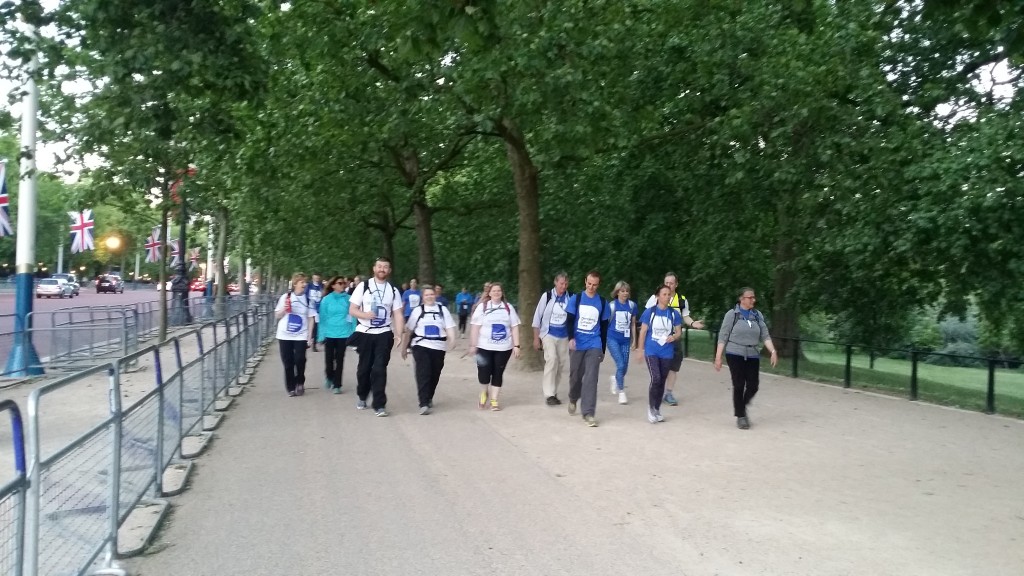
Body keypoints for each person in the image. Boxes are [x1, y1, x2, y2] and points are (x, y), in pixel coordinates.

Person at [714, 287, 778, 430]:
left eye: (754, 297)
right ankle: (741, 416)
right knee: (738, 384)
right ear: (741, 299)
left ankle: (741, 407)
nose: (753, 300)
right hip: (734, 352)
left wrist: (773, 351)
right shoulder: (732, 315)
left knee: (753, 386)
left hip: (752, 354)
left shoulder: (757, 315)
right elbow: (723, 336)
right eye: (750, 297)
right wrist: (718, 357)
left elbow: (765, 335)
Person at [348, 257, 405, 417]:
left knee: (380, 369)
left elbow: (398, 314)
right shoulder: (363, 286)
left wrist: (399, 334)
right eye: (379, 266)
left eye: (385, 267)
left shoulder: (393, 290)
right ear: (374, 269)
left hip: (384, 333)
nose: (382, 269)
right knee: (364, 369)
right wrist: (365, 314)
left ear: (389, 270)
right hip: (365, 332)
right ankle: (362, 394)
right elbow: (352, 309)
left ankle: (379, 405)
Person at [643, 272, 705, 406]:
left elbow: (685, 316)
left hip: (674, 338)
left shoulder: (681, 300)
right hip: (657, 339)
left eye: (671, 283)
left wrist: (693, 323)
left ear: (676, 285)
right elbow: (647, 317)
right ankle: (656, 391)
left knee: (673, 367)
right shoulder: (655, 298)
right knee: (657, 370)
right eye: (666, 283)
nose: (669, 285)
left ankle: (668, 393)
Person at [401, 285, 457, 414]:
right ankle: (424, 402)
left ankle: (429, 396)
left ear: (435, 295)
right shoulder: (417, 311)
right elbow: (409, 331)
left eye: (431, 294)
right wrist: (404, 348)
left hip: (438, 346)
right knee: (423, 373)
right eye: (427, 295)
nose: (430, 297)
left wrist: (452, 340)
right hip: (421, 345)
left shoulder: (442, 310)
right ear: (423, 297)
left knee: (435, 373)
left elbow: (449, 327)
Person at [565, 271, 610, 427]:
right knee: (576, 375)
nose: (591, 287)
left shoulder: (603, 303)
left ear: (598, 285)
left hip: (594, 343)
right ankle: (573, 397)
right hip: (577, 343)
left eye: (595, 284)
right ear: (585, 282)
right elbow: (569, 321)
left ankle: (588, 413)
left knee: (591, 378)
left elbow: (604, 328)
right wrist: (571, 338)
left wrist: (602, 349)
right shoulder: (575, 299)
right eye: (589, 283)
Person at [469, 282, 522, 411]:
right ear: (489, 293)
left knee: (498, 373)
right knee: (484, 372)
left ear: (502, 293)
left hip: (503, 347)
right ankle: (483, 392)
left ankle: (494, 400)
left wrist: (517, 345)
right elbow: (475, 327)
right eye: (494, 291)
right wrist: (473, 345)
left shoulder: (508, 308)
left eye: (499, 291)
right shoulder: (483, 307)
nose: (496, 293)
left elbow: (514, 327)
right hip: (484, 346)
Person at [635, 285, 683, 423]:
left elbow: (679, 332)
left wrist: (674, 337)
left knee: (662, 380)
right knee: (655, 378)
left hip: (667, 351)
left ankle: (657, 408)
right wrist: (640, 350)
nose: (667, 296)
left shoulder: (674, 314)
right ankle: (650, 408)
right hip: (652, 350)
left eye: (669, 294)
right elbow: (643, 331)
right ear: (657, 296)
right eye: (664, 294)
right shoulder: (649, 312)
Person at [531, 272, 572, 405]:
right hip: (548, 333)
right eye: (561, 283)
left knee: (560, 364)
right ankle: (549, 394)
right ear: (555, 283)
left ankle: (554, 392)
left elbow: (573, 318)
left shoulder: (570, 298)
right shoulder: (547, 296)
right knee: (552, 359)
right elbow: (537, 317)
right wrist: (536, 338)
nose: (563, 286)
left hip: (564, 335)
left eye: (566, 284)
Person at [275, 273, 317, 397]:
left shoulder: (308, 300)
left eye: (305, 282)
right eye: (302, 282)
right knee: (288, 362)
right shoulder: (285, 297)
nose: (304, 284)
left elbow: (311, 319)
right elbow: (277, 315)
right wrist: (285, 309)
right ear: (295, 284)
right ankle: (290, 387)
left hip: (301, 334)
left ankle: (300, 382)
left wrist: (310, 337)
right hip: (284, 334)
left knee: (300, 359)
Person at [317, 276, 355, 394]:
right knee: (329, 359)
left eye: (344, 283)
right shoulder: (326, 300)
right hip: (329, 332)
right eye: (339, 283)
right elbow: (322, 318)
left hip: (343, 333)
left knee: (339, 359)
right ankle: (329, 376)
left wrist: (353, 333)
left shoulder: (349, 299)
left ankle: (337, 384)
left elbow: (353, 317)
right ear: (333, 285)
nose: (342, 285)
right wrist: (321, 335)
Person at [607, 281, 638, 405]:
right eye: (622, 291)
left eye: (627, 291)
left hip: (625, 340)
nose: (625, 293)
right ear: (617, 292)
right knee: (620, 364)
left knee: (624, 367)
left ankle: (615, 378)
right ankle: (621, 392)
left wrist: (634, 340)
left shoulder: (632, 306)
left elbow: (633, 324)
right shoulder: (612, 306)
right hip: (612, 338)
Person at [305, 273, 325, 351]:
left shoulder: (322, 286)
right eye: (315, 277)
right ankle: (308, 341)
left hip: (319, 309)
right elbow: (306, 295)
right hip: (310, 308)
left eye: (318, 277)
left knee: (316, 326)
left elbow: (324, 295)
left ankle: (314, 344)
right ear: (313, 277)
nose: (317, 279)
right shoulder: (309, 286)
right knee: (310, 326)